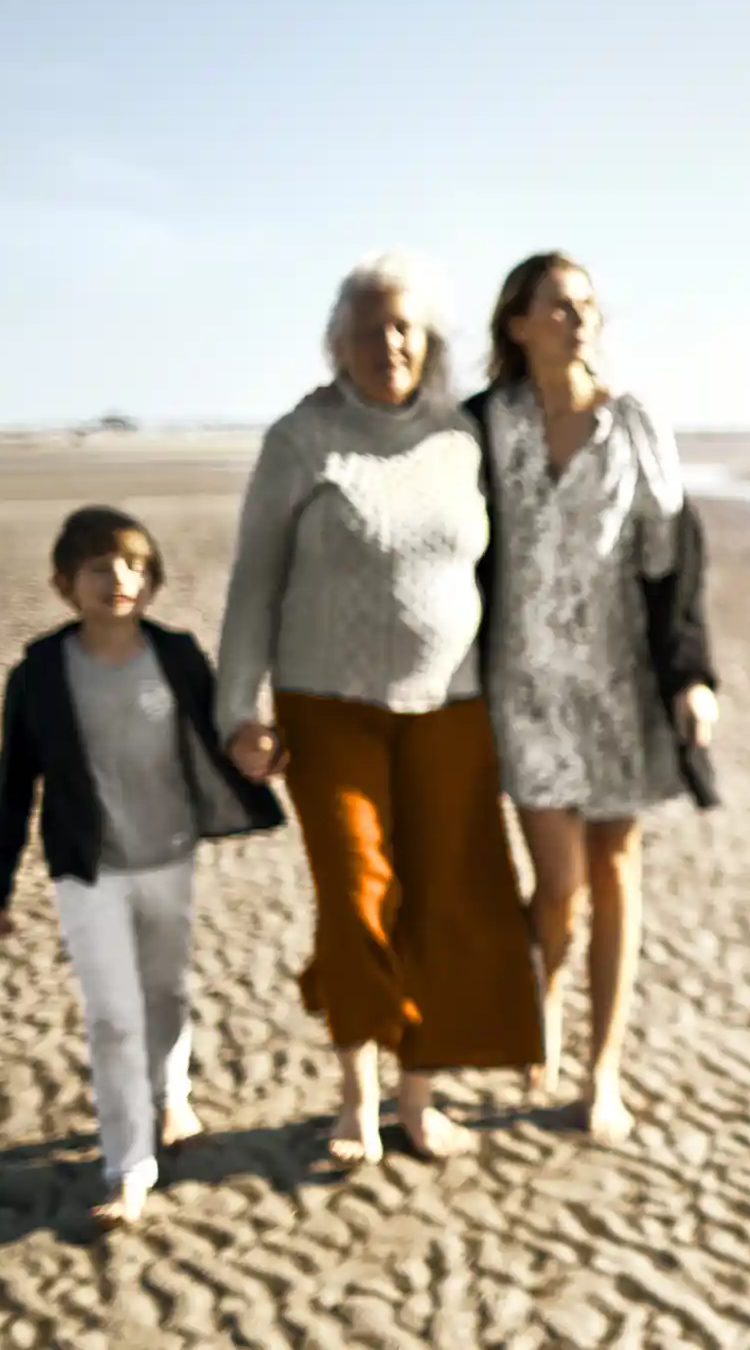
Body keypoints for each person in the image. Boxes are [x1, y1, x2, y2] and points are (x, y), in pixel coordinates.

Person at [218, 252, 546, 1163]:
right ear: (340, 344)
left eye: (403, 327)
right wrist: (237, 710)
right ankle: (356, 1097)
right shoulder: (301, 439)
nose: (388, 343)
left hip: (452, 706)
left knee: (443, 899)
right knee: (358, 895)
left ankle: (416, 1095)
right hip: (328, 705)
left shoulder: (459, 439)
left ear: (428, 341)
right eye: (369, 329)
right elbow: (254, 583)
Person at [461, 251, 721, 1142]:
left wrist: (691, 677)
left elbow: (675, 560)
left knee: (614, 868)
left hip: (619, 684)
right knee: (558, 882)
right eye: (557, 306)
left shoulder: (635, 424)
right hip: (522, 683)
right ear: (517, 324)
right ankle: (546, 985)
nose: (577, 320)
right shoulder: (484, 426)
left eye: (586, 306)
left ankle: (600, 1070)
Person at [0, 506, 289, 1228]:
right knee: (114, 1018)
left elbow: (221, 738)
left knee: (165, 990)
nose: (119, 580)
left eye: (135, 567)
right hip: (87, 869)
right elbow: (13, 780)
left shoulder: (176, 653)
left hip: (169, 857)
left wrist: (263, 754)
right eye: (99, 568)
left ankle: (172, 1092)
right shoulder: (40, 672)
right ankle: (128, 1166)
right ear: (65, 584)